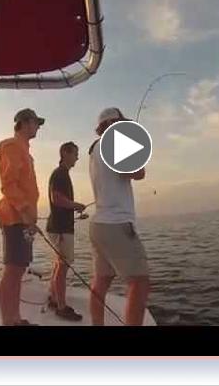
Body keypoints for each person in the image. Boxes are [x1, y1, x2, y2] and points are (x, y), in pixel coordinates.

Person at [88, 107, 150, 326]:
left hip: (99, 225)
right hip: (117, 225)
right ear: (114, 123)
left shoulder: (94, 149)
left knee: (101, 281)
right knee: (139, 282)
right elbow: (137, 172)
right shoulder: (115, 141)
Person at [0, 108, 44, 326]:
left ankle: (15, 319)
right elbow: (8, 184)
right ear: (25, 123)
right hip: (16, 217)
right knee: (13, 269)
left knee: (19, 269)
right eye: (36, 123)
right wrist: (25, 211)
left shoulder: (24, 150)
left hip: (24, 219)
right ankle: (8, 321)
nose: (38, 127)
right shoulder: (12, 146)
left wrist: (31, 217)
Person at [46, 142, 87, 321]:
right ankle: (61, 307)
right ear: (65, 153)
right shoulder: (60, 174)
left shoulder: (61, 174)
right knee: (62, 267)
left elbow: (60, 201)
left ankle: (55, 299)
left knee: (59, 265)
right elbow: (57, 199)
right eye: (75, 154)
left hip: (59, 227)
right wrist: (76, 205)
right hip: (61, 229)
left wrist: (73, 209)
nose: (77, 157)